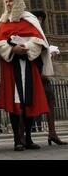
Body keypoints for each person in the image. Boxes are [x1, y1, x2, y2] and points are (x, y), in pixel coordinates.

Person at [0, 0, 53, 151]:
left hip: (28, 65)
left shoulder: (29, 20)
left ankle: (29, 138)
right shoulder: (2, 22)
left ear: (18, 1)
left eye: (11, 1)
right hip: (12, 67)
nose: (8, 4)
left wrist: (26, 47)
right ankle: (18, 139)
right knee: (16, 102)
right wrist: (12, 50)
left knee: (28, 102)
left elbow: (39, 41)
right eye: (6, 1)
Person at [31, 10, 67, 146]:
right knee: (26, 105)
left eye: (41, 19)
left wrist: (50, 56)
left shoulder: (41, 34)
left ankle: (52, 133)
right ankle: (24, 137)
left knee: (50, 101)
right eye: (37, 18)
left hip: (43, 75)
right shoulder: (28, 31)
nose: (39, 21)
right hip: (32, 74)